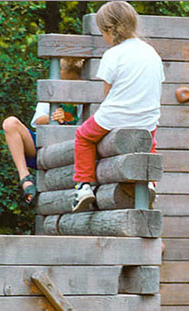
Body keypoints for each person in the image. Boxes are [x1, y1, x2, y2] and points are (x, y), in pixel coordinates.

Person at [71, 1, 164, 212]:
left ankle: (84, 185)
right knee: (149, 144)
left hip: (115, 116)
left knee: (83, 137)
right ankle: (149, 184)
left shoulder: (113, 54)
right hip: (147, 119)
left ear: (109, 30)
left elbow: (108, 94)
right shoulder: (152, 54)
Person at [2, 58, 84, 204]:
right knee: (10, 123)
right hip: (44, 148)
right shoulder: (52, 93)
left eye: (70, 83)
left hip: (73, 149)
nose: (66, 88)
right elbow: (37, 120)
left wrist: (68, 117)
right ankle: (25, 178)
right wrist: (52, 118)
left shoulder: (88, 98)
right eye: (62, 82)